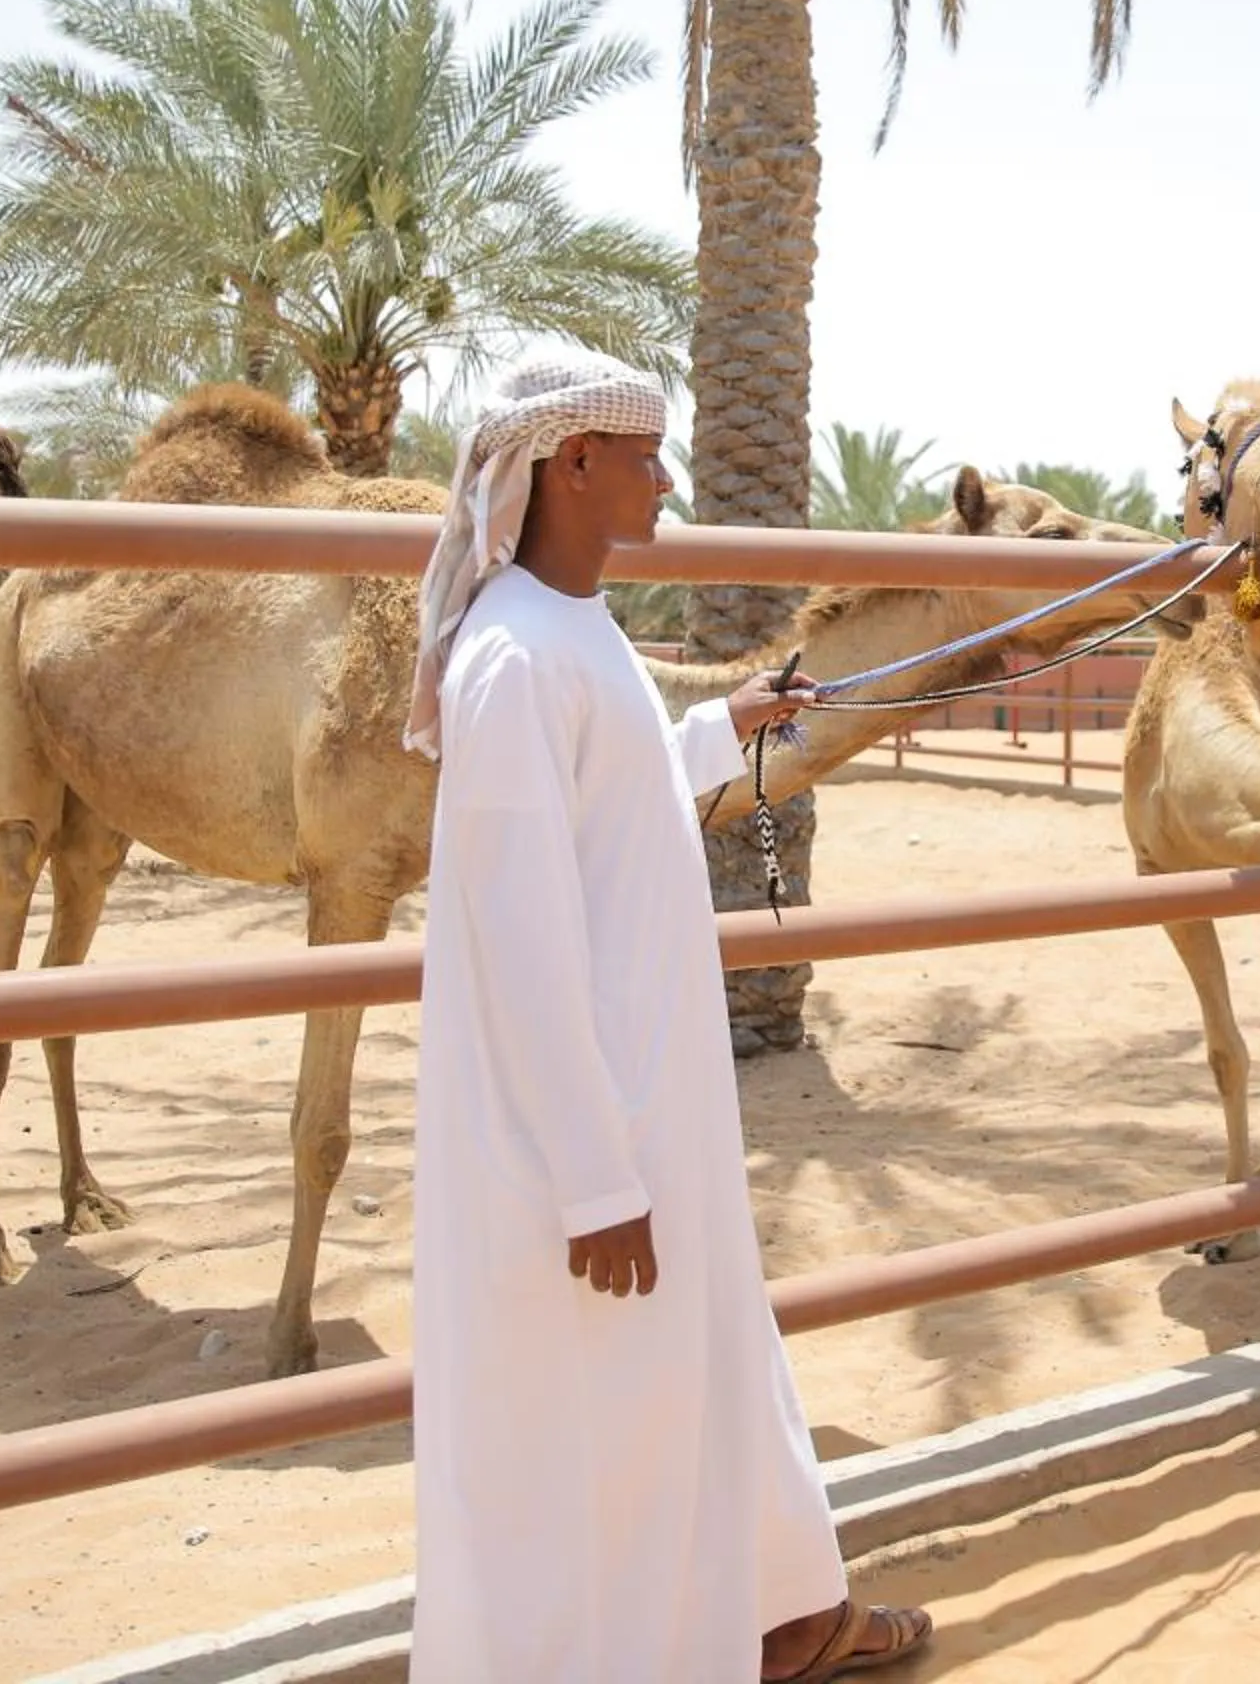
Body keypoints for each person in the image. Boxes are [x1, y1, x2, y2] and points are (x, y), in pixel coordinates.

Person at [403, 355, 933, 1682]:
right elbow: (519, 943)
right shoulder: (512, 656)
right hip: (592, 1147)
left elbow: (620, 791)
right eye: (644, 455)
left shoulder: (572, 634)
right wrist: (594, 1181)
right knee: (607, 1429)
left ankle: (782, 1621)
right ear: (569, 464)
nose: (666, 478)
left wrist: (724, 727)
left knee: (697, 1377)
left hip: (651, 1117)